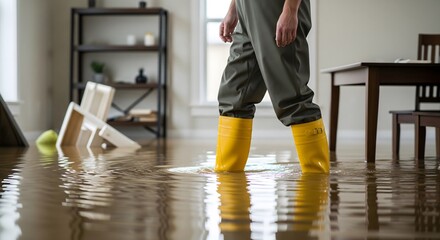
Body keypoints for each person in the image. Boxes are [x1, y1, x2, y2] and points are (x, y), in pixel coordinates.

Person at [214, 0, 330, 173]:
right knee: (233, 94)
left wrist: (290, 10)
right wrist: (235, 8)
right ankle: (228, 182)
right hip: (246, 9)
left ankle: (316, 181)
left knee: (291, 93)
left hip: (277, 5)